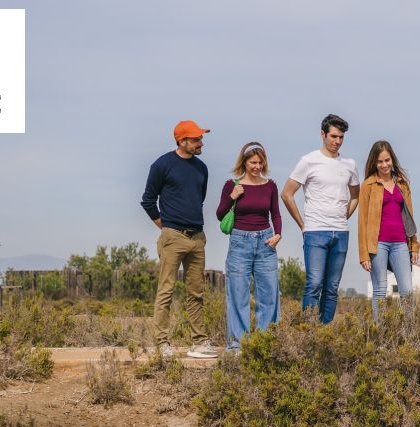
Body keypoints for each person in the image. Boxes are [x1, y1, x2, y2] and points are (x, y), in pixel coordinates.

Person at [140, 119, 217, 359]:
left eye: (200, 138)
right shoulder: (162, 165)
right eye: (195, 139)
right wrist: (167, 228)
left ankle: (199, 342)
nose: (200, 142)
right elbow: (148, 200)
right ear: (182, 141)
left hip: (198, 237)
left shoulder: (201, 168)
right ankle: (162, 343)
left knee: (196, 292)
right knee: (166, 290)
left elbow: (199, 199)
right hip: (173, 237)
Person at [281, 114, 360, 323]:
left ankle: (324, 335)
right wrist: (302, 225)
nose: (337, 141)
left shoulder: (350, 164)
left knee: (332, 287)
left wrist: (344, 216)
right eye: (333, 136)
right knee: (314, 283)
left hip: (341, 233)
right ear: (323, 134)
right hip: (315, 231)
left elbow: (355, 196)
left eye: (341, 137)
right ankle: (308, 335)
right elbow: (287, 193)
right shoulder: (308, 161)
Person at [217, 141, 282, 351]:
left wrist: (278, 234)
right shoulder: (232, 185)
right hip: (239, 243)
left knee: (269, 295)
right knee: (238, 296)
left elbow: (276, 214)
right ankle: (237, 346)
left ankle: (266, 344)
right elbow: (220, 215)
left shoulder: (270, 185)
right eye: (253, 162)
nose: (257, 166)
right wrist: (232, 197)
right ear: (244, 162)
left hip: (265, 243)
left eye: (260, 162)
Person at [358, 140, 420, 320]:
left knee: (407, 291)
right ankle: (380, 335)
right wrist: (364, 254)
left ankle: (409, 334)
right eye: (379, 162)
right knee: (380, 290)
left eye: (387, 160)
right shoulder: (368, 185)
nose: (384, 165)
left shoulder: (402, 184)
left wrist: (414, 246)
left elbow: (410, 217)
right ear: (374, 163)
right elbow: (362, 221)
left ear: (392, 159)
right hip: (378, 244)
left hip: (401, 243)